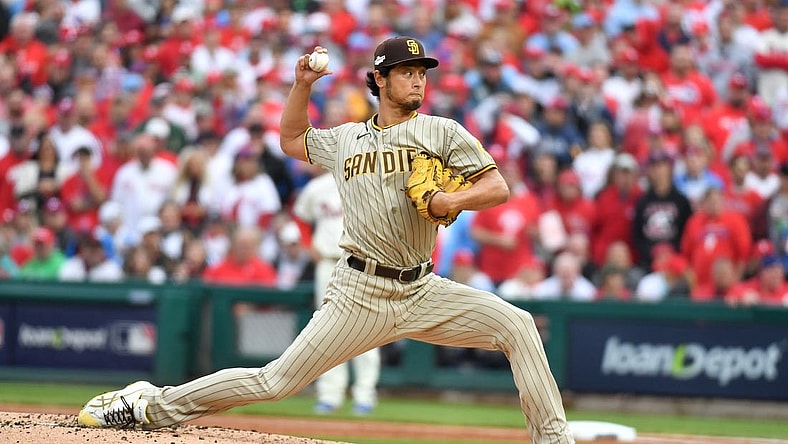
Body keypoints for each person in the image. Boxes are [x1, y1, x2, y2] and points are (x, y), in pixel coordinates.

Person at [77, 37, 576, 444]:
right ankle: (150, 405)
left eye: (422, 70)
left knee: (518, 325)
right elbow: (292, 140)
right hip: (359, 293)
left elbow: (497, 187)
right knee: (274, 381)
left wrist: (452, 201)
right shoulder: (345, 140)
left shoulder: (442, 131)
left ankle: (554, 441)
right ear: (379, 79)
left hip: (423, 290)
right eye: (406, 70)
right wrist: (301, 86)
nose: (418, 78)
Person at [293, 167, 381, 416]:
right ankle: (330, 394)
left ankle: (365, 394)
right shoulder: (317, 186)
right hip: (328, 263)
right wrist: (309, 245)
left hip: (363, 264)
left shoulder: (368, 182)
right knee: (327, 328)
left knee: (368, 328)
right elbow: (300, 215)